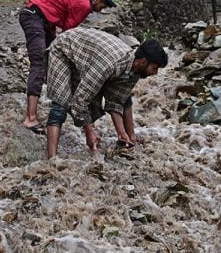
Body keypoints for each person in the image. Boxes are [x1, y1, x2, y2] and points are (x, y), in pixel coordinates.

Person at [44, 26, 168, 158]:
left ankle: (125, 136)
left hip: (88, 57)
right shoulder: (109, 64)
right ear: (143, 62)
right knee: (60, 105)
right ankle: (52, 161)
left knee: (102, 99)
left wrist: (122, 134)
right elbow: (80, 99)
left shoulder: (135, 71)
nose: (155, 73)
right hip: (64, 48)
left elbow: (116, 100)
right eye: (154, 68)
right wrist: (89, 133)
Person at [18, 0, 116, 133]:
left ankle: (53, 100)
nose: (103, 9)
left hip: (43, 19)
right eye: (104, 4)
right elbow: (68, 35)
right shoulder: (84, 4)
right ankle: (30, 118)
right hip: (34, 17)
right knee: (38, 64)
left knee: (53, 58)